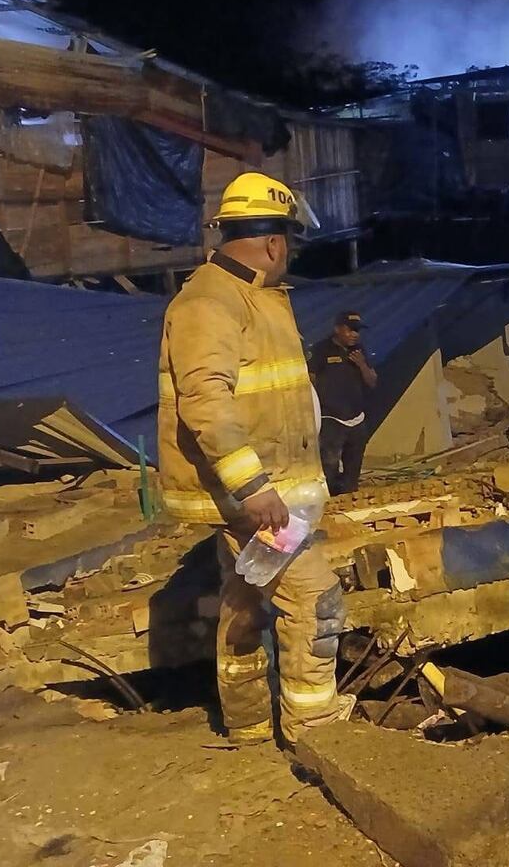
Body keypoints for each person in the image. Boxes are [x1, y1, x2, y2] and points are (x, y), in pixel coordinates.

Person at [157, 171, 352, 747]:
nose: (288, 252)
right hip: (258, 501)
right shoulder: (210, 303)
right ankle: (315, 732)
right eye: (288, 241)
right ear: (272, 243)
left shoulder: (250, 296)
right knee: (316, 600)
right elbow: (205, 402)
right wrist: (253, 487)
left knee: (245, 604)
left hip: (268, 493)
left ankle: (247, 727)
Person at [309, 310, 377, 495]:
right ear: (338, 329)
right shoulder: (321, 350)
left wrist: (362, 364)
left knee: (353, 467)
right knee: (329, 465)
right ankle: (328, 504)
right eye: (351, 330)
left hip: (356, 419)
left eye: (358, 331)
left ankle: (350, 501)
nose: (355, 334)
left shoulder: (359, 351)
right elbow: (310, 381)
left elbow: (372, 381)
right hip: (332, 418)